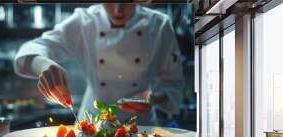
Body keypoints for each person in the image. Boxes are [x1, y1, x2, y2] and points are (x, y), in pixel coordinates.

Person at [14, 3, 184, 125]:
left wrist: (152, 98)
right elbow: (28, 51)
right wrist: (44, 65)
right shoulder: (84, 21)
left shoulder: (159, 25)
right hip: (91, 123)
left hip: (141, 126)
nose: (118, 9)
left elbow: (173, 84)